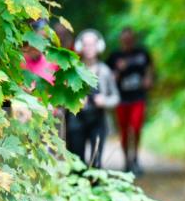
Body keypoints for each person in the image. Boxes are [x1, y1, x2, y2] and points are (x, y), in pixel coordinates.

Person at [66, 29, 119, 169]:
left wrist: (104, 101)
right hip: (76, 121)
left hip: (98, 122)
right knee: (77, 164)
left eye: (92, 44)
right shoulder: (73, 69)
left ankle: (95, 189)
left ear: (99, 47)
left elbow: (116, 98)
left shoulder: (105, 71)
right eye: (86, 45)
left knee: (96, 163)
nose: (89, 48)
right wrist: (75, 102)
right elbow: (63, 96)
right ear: (80, 47)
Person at [107, 27, 154, 175]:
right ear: (121, 40)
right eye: (125, 39)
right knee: (124, 131)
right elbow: (108, 77)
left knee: (136, 127)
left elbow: (149, 68)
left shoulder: (142, 53)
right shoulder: (115, 56)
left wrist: (148, 78)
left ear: (133, 39)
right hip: (121, 99)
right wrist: (118, 71)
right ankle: (127, 160)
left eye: (130, 39)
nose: (127, 42)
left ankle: (135, 158)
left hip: (138, 98)